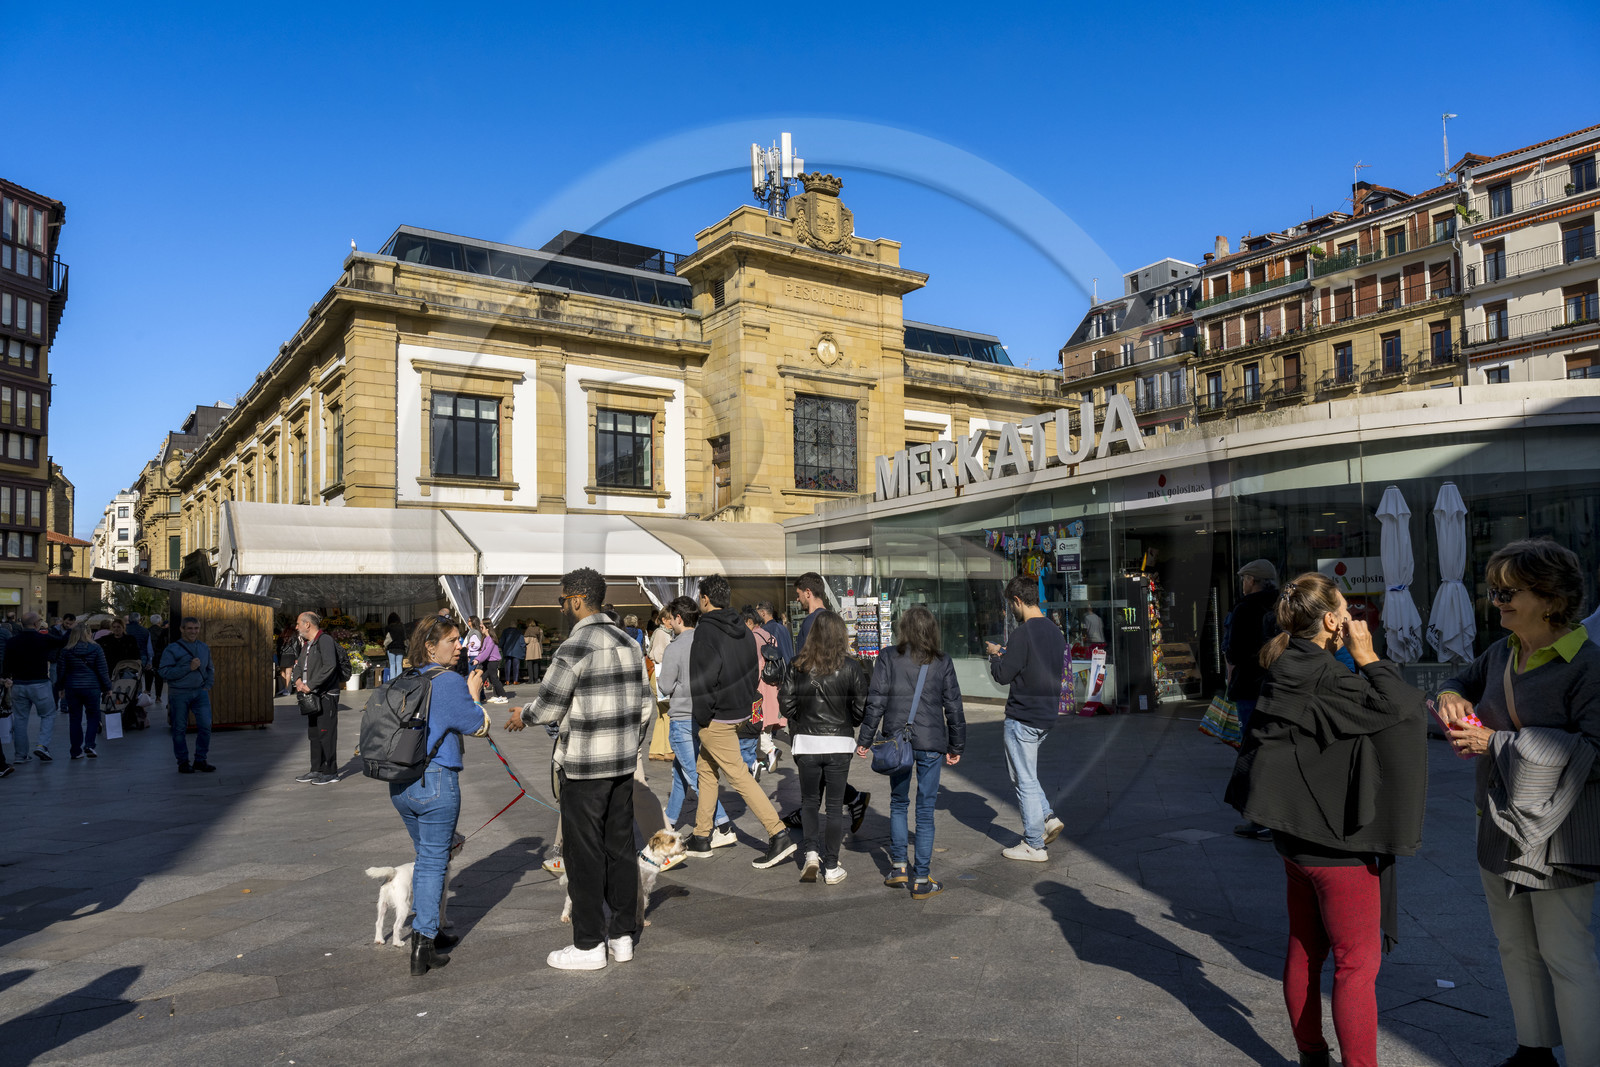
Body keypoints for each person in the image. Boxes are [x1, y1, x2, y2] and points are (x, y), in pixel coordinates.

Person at [1226, 572, 1427, 1067]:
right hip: (1337, 846)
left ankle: (1311, 1054)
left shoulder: (1285, 661)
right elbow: (1403, 708)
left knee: (1305, 949)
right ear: (1333, 619)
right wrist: (1367, 655)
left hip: (1294, 837)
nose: (1353, 618)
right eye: (1345, 610)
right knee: (1357, 966)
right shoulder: (1328, 675)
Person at [1437, 540, 1600, 1067]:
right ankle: (1533, 1051)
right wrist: (1448, 696)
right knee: (1514, 947)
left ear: (1551, 599)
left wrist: (1497, 745)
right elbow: (1460, 678)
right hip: (1497, 822)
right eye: (1494, 591)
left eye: (1509, 592)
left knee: (1566, 956)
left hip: (1560, 834)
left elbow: (1596, 751)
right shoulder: (1504, 651)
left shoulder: (1588, 665)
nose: (1497, 602)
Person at [505, 567, 653, 971]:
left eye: (561, 601)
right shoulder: (629, 641)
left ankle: (589, 944)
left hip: (585, 766)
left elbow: (550, 704)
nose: (561, 608)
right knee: (620, 849)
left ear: (575, 600)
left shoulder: (575, 645)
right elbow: (646, 708)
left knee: (583, 854)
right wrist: (628, 744)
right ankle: (622, 936)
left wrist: (525, 714)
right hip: (621, 764)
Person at [391, 614, 490, 975]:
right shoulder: (447, 681)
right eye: (452, 640)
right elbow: (477, 724)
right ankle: (423, 945)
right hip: (434, 781)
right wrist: (473, 694)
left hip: (401, 782)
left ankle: (429, 931)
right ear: (431, 647)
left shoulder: (407, 677)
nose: (460, 644)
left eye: (459, 639)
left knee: (427, 857)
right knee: (434, 862)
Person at [856, 604, 966, 899]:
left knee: (898, 802)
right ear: (932, 630)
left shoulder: (889, 656)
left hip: (898, 742)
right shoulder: (942, 661)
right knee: (926, 811)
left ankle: (898, 867)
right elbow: (953, 706)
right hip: (931, 744)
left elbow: (876, 700)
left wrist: (865, 739)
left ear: (903, 628)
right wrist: (956, 745)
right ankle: (920, 880)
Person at [688, 574, 795, 869]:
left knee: (739, 776)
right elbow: (753, 673)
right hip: (739, 712)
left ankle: (778, 833)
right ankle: (700, 835)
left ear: (706, 599)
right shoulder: (744, 630)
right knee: (706, 770)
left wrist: (703, 715)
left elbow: (702, 680)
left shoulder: (706, 631)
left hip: (716, 716)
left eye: (701, 597)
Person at [779, 609, 869, 885]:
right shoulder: (851, 667)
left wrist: (801, 718)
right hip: (839, 741)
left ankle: (811, 855)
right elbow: (860, 708)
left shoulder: (797, 664)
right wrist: (848, 722)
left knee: (808, 802)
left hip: (806, 741)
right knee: (832, 807)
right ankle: (831, 866)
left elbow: (787, 704)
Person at [984, 575, 1067, 861]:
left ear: (1018, 601)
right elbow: (1036, 665)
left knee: (1023, 779)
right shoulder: (1056, 633)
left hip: (1023, 716)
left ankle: (1034, 843)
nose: (1011, 611)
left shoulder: (1022, 634)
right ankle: (1048, 818)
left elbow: (1003, 676)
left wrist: (995, 655)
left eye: (1011, 605)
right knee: (1027, 774)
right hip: (1046, 715)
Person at [654, 597, 734, 841]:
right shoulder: (707, 642)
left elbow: (665, 686)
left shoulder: (675, 647)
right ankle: (670, 822)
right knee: (680, 774)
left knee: (695, 775)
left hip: (681, 716)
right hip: (704, 715)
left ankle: (723, 826)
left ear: (678, 618)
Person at [1226, 559, 1281, 839]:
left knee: (1254, 752)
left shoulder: (1246, 608)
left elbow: (1234, 653)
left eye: (1244, 578)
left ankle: (1262, 818)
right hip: (1283, 687)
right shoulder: (1285, 604)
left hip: (1251, 688)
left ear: (1252, 580)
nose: (1242, 583)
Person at [158, 617, 219, 774]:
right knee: (179, 729)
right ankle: (183, 762)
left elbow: (210, 668)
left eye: (196, 628)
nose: (193, 631)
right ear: (182, 629)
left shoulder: (204, 647)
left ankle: (200, 759)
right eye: (190, 628)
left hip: (200, 693)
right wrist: (188, 668)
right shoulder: (172, 649)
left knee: (206, 726)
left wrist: (207, 686)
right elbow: (164, 672)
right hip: (179, 693)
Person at [5, 613, 65, 763]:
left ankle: (20, 755)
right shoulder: (43, 639)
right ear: (36, 623)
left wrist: (6, 677)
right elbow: (62, 642)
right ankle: (42, 745)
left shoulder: (12, 641)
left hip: (19, 684)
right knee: (48, 714)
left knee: (20, 719)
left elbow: (6, 663)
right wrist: (69, 628)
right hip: (40, 683)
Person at [292, 612, 344, 784]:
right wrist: (298, 680)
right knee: (314, 733)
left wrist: (311, 685)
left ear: (308, 624)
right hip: (311, 696)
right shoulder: (307, 644)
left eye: (298, 623)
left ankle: (331, 771)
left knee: (326, 733)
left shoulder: (325, 640)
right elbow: (299, 665)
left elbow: (330, 666)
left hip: (326, 694)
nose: (296, 626)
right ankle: (316, 769)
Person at [58, 622, 111, 760]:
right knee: (93, 716)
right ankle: (89, 745)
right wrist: (107, 688)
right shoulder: (96, 648)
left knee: (74, 718)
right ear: (88, 633)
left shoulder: (66, 650)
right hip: (92, 687)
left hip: (72, 687)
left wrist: (60, 687)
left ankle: (75, 751)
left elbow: (61, 671)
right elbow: (102, 670)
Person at [742, 606, 784, 775]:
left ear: (749, 622)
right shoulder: (770, 636)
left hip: (759, 687)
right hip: (772, 685)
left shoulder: (752, 638)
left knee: (757, 722)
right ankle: (761, 758)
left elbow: (755, 666)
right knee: (764, 724)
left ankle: (769, 750)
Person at [471, 618, 508, 703]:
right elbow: (483, 651)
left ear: (487, 628)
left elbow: (486, 652)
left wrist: (477, 660)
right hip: (488, 661)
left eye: (482, 627)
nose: (480, 628)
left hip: (492, 661)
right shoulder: (486, 638)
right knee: (485, 678)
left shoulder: (490, 639)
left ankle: (503, 696)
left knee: (493, 678)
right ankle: (496, 695)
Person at [793, 572, 828, 655]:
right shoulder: (836, 619)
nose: (797, 599)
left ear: (808, 593)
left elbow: (807, 658)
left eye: (798, 594)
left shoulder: (811, 621)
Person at [148, 614, 170, 703]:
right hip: (160, 656)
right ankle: (158, 696)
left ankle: (148, 693)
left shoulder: (147, 631)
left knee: (149, 675)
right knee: (159, 677)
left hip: (150, 656)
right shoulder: (163, 631)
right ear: (160, 621)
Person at [499, 619, 526, 686]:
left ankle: (507, 680)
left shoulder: (505, 631)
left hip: (507, 651)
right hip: (517, 651)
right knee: (516, 666)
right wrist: (523, 650)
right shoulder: (519, 632)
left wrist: (501, 647)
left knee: (507, 666)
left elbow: (502, 641)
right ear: (516, 626)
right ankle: (515, 681)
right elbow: (522, 642)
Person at [383, 612, 407, 682]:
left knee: (392, 664)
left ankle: (392, 681)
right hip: (400, 647)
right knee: (399, 664)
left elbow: (388, 638)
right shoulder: (402, 626)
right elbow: (405, 638)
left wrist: (384, 645)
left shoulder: (388, 627)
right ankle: (399, 681)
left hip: (391, 648)